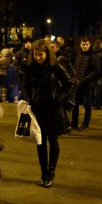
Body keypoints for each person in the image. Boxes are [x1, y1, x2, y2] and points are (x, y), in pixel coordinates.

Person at [20, 39, 75, 188]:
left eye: (41, 54)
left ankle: (51, 172)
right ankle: (43, 173)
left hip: (53, 110)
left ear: (47, 53)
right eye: (35, 54)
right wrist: (29, 100)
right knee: (40, 142)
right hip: (38, 110)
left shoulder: (55, 66)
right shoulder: (30, 68)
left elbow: (70, 84)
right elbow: (24, 87)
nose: (38, 57)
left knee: (53, 141)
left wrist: (59, 101)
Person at [71, 37, 100, 131]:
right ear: (80, 45)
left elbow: (96, 71)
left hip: (88, 85)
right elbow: (75, 68)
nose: (85, 46)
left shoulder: (93, 56)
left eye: (86, 44)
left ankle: (85, 124)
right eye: (83, 44)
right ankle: (74, 123)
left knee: (87, 106)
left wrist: (83, 80)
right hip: (77, 85)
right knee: (75, 105)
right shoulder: (78, 55)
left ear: (89, 45)